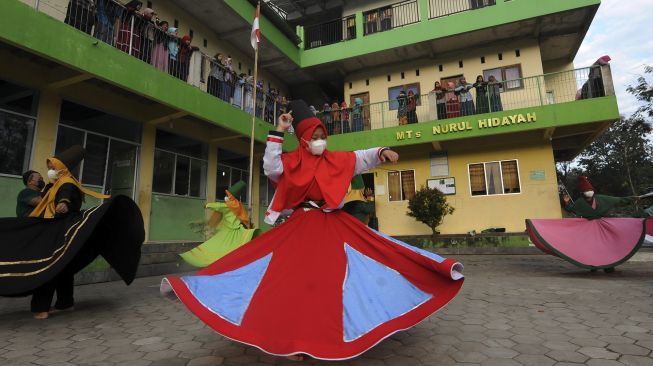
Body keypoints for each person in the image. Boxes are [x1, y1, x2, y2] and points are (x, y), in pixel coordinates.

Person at [161, 100, 464, 361]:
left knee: (362, 265)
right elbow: (270, 167)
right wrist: (279, 131)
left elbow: (361, 157)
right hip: (299, 228)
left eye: (323, 135)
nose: (321, 140)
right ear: (304, 139)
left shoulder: (336, 159)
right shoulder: (290, 162)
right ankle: (291, 341)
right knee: (288, 282)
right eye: (315, 136)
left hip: (333, 225)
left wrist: (383, 150)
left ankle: (338, 332)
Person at [0, 146, 145, 320]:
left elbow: (65, 196)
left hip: (62, 228)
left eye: (53, 168)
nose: (50, 171)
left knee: (49, 264)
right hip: (55, 227)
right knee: (63, 267)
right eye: (49, 168)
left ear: (62, 168)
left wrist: (64, 203)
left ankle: (41, 307)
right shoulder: (54, 185)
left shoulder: (67, 183)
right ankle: (65, 303)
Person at [527, 176, 644, 273]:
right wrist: (567, 202)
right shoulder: (583, 202)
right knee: (594, 247)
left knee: (602, 246)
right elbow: (571, 209)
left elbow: (618, 200)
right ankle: (595, 265)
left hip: (599, 226)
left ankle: (606, 266)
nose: (588, 195)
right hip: (590, 227)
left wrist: (632, 199)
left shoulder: (594, 200)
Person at [179, 181, 260, 268]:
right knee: (233, 248)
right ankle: (234, 263)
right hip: (237, 231)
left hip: (228, 232)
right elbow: (244, 217)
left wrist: (207, 205)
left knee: (216, 246)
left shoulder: (228, 206)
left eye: (228, 195)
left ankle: (210, 261)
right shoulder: (238, 206)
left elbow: (218, 206)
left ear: (231, 196)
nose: (226, 197)